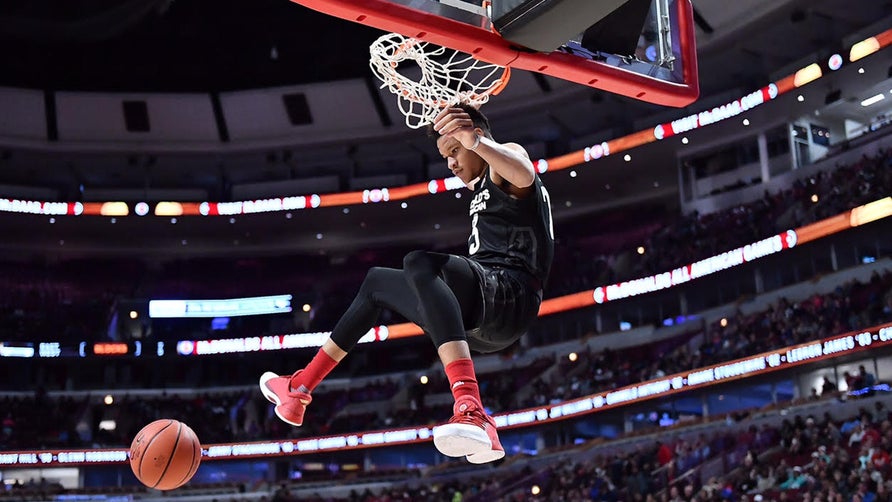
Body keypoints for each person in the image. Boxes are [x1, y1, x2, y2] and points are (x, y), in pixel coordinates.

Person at [259, 103, 554, 464]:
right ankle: (299, 388)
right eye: (446, 156)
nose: (451, 164)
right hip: (483, 324)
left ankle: (471, 408)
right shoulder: (481, 185)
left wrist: (475, 141)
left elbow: (524, 172)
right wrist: (468, 145)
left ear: (476, 135)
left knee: (419, 263)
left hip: (511, 295)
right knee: (376, 281)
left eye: (454, 151)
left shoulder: (505, 160)